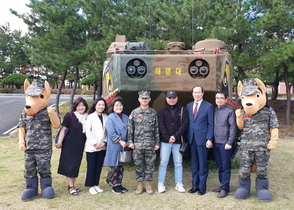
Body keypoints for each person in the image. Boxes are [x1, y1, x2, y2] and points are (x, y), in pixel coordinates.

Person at [128, 91, 160, 195]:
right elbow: (130, 129)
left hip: (150, 143)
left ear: (149, 99)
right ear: (139, 99)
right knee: (138, 164)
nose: (144, 100)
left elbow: (156, 129)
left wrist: (157, 143)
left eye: (146, 98)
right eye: (142, 98)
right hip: (137, 144)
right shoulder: (134, 113)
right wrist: (130, 142)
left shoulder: (153, 113)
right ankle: (140, 184)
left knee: (150, 165)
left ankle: (148, 184)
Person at [56, 97, 88, 196]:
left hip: (80, 146)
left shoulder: (88, 117)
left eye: (82, 106)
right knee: (69, 166)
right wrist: (59, 142)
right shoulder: (70, 116)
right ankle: (71, 187)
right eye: (79, 106)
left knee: (75, 166)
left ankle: (72, 185)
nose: (81, 108)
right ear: (75, 107)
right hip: (69, 145)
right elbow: (63, 129)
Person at [157, 90, 188, 193]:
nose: (172, 100)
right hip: (165, 142)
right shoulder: (162, 110)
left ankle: (179, 183)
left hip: (178, 141)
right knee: (163, 162)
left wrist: (175, 136)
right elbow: (161, 125)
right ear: (166, 99)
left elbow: (184, 124)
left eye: (173, 98)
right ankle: (160, 183)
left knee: (178, 163)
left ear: (177, 98)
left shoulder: (183, 110)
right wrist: (167, 137)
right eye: (169, 98)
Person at [186, 85, 214, 195]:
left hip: (203, 139)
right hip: (192, 138)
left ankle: (202, 187)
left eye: (199, 92)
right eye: (194, 92)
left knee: (202, 164)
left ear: (203, 93)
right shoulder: (188, 106)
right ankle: (195, 185)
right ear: (192, 94)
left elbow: (210, 124)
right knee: (194, 163)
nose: (196, 94)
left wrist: (209, 138)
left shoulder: (208, 106)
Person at [212, 91, 237, 198]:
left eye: (221, 98)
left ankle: (225, 189)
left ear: (226, 99)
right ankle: (222, 185)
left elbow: (233, 128)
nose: (219, 100)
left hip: (225, 144)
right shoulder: (214, 111)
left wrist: (229, 142)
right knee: (220, 166)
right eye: (217, 98)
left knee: (226, 167)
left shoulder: (230, 111)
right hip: (216, 143)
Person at [104, 97, 129, 194]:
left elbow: (129, 130)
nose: (119, 107)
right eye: (116, 105)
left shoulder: (126, 117)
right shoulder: (111, 117)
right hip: (115, 145)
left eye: (120, 105)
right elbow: (111, 132)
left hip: (124, 145)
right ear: (113, 107)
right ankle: (113, 184)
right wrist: (120, 141)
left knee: (121, 166)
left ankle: (119, 183)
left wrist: (128, 141)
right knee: (114, 166)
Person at [85, 97, 108, 195]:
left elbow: (107, 132)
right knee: (91, 167)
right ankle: (91, 186)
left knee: (99, 166)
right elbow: (88, 131)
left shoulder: (106, 117)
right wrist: (95, 143)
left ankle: (96, 184)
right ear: (95, 105)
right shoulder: (90, 117)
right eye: (99, 105)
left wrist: (105, 142)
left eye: (103, 105)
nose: (101, 106)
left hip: (102, 146)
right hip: (92, 147)